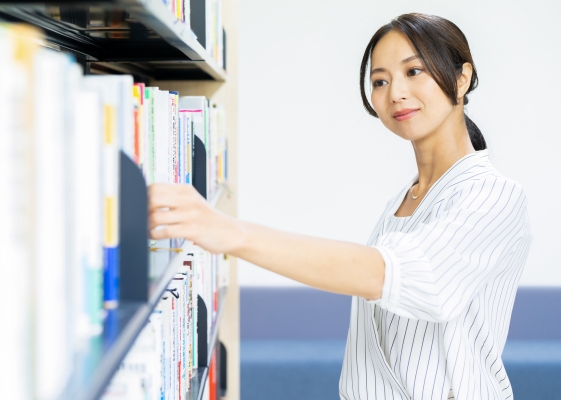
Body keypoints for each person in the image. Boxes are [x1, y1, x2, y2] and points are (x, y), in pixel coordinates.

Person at [148, 13, 532, 400]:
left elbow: (399, 276)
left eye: (413, 71)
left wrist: (232, 233)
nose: (395, 92)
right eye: (380, 81)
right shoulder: (405, 200)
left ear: (462, 77)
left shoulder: (494, 195)